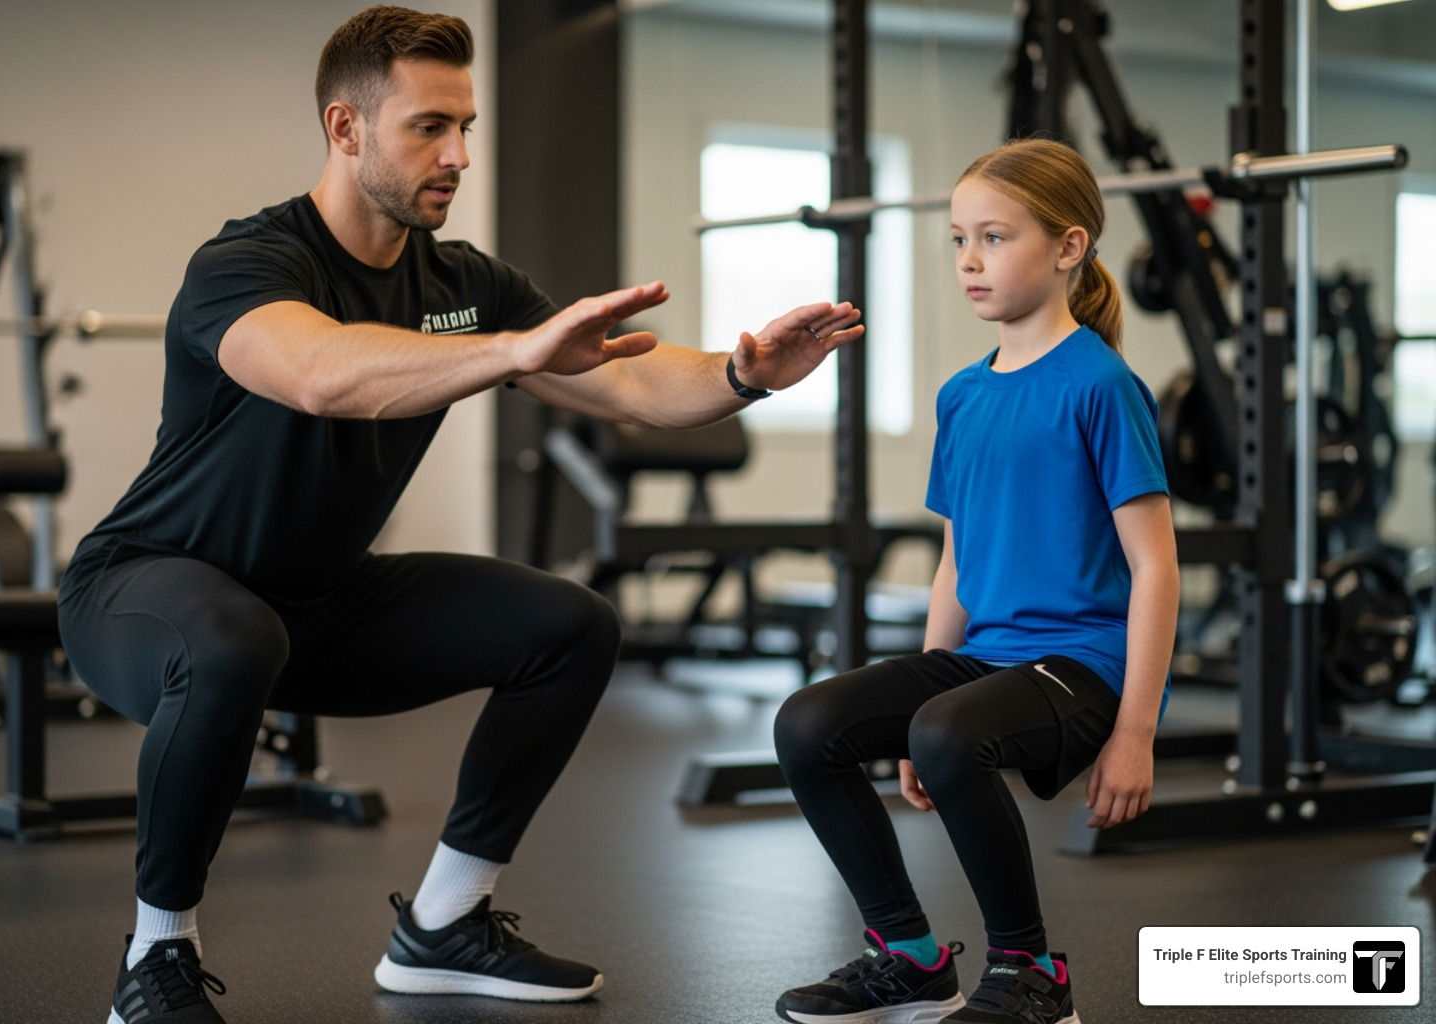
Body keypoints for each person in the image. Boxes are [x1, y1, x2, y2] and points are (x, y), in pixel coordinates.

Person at [58, 7, 864, 1024]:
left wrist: (746, 372)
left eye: (466, 127)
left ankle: (443, 924)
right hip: (144, 587)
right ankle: (155, 961)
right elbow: (316, 372)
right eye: (428, 128)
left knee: (570, 624)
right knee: (229, 639)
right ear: (345, 130)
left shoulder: (462, 283)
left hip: (315, 603)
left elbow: (629, 382)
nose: (459, 156)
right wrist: (511, 352)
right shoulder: (250, 264)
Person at [770, 137, 1179, 1024]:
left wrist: (1137, 731)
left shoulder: (1103, 386)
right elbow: (956, 560)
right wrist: (917, 699)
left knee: (951, 731)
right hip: (988, 657)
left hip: (1083, 664)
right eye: (960, 239)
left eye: (994, 238)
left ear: (1068, 248)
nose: (969, 260)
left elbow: (1156, 567)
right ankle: (909, 956)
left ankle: (1034, 977)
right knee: (808, 723)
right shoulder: (963, 394)